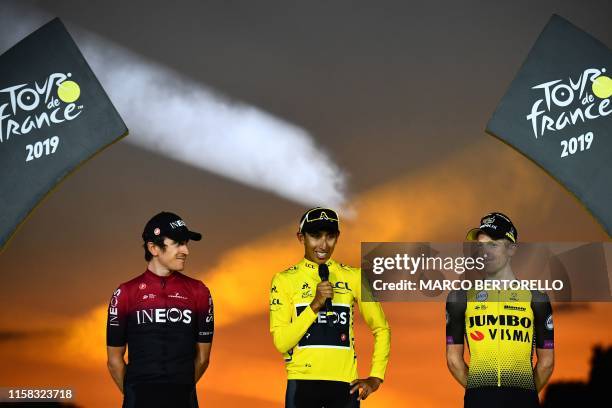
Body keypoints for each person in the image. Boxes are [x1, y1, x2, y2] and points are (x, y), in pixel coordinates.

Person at [270, 207, 391, 408]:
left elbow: (382, 329)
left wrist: (376, 376)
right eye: (315, 236)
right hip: (302, 383)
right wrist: (315, 305)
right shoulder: (283, 280)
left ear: (338, 237)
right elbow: (282, 342)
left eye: (330, 236)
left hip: (345, 386)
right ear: (301, 237)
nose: (323, 244)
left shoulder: (355, 277)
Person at [446, 212, 555, 408]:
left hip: (479, 401)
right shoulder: (459, 298)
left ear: (512, 249)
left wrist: (482, 393)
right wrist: (521, 395)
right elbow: (453, 360)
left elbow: (547, 363)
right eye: (480, 245)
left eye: (493, 245)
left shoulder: (537, 298)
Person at [106, 211, 214, 408]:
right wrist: (137, 396)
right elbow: (114, 361)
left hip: (178, 400)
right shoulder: (125, 293)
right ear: (153, 247)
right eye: (178, 243)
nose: (186, 251)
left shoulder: (200, 291)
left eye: (186, 243)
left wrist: (171, 394)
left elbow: (203, 358)